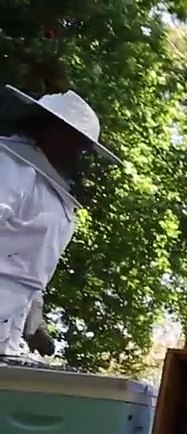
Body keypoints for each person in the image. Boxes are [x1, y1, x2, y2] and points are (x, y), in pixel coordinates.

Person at [0, 86, 120, 357]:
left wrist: (35, 323)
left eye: (83, 146)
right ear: (49, 129)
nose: (78, 152)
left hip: (9, 333)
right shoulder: (9, 167)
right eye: (74, 140)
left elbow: (29, 270)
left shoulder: (52, 192)